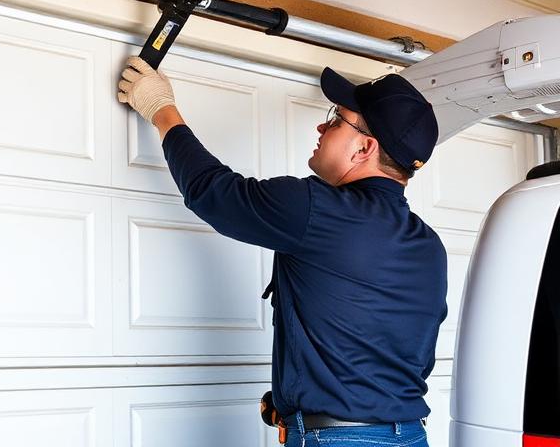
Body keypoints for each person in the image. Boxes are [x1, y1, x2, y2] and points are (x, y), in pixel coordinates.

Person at [117, 56, 448, 447]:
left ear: (364, 147)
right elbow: (399, 356)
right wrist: (290, 398)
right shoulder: (429, 246)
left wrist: (161, 108)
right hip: (410, 437)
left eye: (336, 119)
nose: (322, 126)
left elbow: (214, 193)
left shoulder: (317, 209)